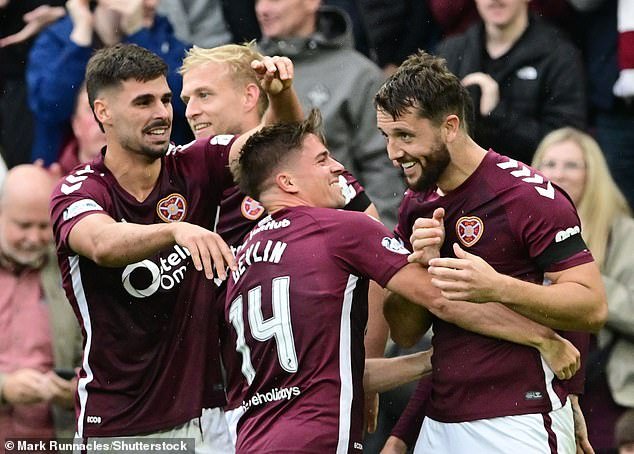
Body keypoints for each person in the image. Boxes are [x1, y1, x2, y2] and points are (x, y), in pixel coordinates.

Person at [226, 109, 589, 453]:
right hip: (315, 439)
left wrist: (439, 359)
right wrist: (542, 339)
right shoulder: (340, 228)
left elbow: (319, 376)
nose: (338, 167)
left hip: (250, 438)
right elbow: (442, 298)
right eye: (322, 160)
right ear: (287, 182)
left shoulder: (241, 258)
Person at [48, 43, 301, 444]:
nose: (163, 113)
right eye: (143, 102)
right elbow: (100, 242)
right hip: (120, 428)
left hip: (209, 419)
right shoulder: (79, 190)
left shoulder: (194, 163)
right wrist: (176, 231)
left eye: (166, 100)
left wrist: (281, 94)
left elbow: (278, 149)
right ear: (103, 112)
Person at [374, 50, 606, 453]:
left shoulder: (526, 195)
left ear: (450, 127)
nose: (393, 153)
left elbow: (592, 307)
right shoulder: (416, 204)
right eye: (386, 137)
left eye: (406, 136)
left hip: (520, 416)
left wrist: (498, 286)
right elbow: (405, 332)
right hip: (441, 416)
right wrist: (419, 269)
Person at [179, 42, 387, 441]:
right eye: (187, 99)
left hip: (304, 398)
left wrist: (366, 366)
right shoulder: (186, 171)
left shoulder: (313, 174)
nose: (191, 110)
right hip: (214, 398)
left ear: (249, 95)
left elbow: (379, 264)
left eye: (204, 95)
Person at [255, 0, 404, 228]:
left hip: (340, 232)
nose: (263, 9)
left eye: (274, 0)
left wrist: (381, 236)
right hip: (262, 234)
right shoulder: (246, 70)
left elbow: (381, 167)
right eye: (258, 0)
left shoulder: (358, 75)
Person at [532, 127, 634, 453]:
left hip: (607, 386)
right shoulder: (521, 230)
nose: (559, 173)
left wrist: (579, 274)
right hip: (539, 378)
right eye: (550, 163)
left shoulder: (624, 231)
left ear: (593, 174)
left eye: (572, 165)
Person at [26, 0, 192, 166]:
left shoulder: (164, 39)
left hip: (154, 169)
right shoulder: (56, 39)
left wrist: (139, 36)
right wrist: (80, 39)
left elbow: (186, 100)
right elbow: (49, 107)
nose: (152, 4)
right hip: (67, 170)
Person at [434, 0, 586, 164]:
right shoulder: (450, 51)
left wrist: (497, 114)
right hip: (463, 176)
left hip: (530, 176)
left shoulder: (559, 56)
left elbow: (565, 145)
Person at [0, 164, 81, 440]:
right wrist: (4, 387)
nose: (34, 238)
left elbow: (99, 353)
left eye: (43, 226)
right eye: (23, 226)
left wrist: (77, 389)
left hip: (56, 436)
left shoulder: (70, 271)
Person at [57, 85, 106, 175]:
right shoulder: (54, 178)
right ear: (76, 125)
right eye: (92, 109)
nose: (102, 119)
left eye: (108, 109)